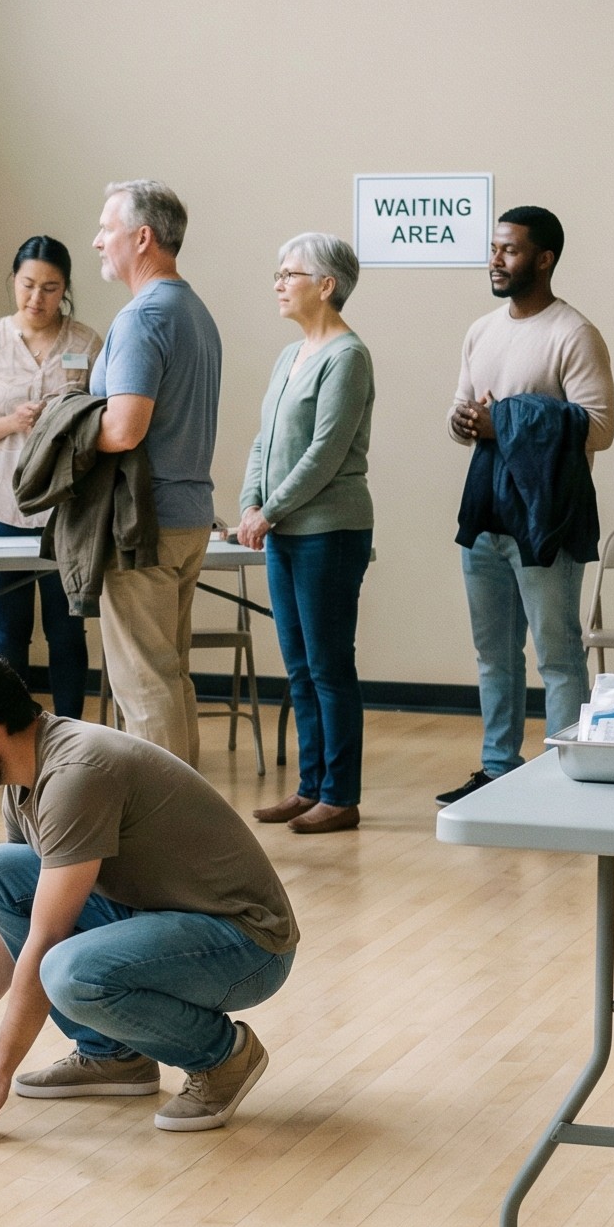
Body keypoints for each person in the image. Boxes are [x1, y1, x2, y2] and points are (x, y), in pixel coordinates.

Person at [0, 648, 299, 1144]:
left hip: (245, 943)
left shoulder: (76, 774)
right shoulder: (23, 778)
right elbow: (25, 924)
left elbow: (44, 942)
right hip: (166, 919)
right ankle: (113, 1056)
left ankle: (223, 1056)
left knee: (69, 972)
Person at [438, 206, 614, 806]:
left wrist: (507, 419)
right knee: (493, 653)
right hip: (486, 510)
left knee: (558, 654)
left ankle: (565, 771)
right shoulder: (481, 329)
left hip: (548, 517)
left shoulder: (573, 333)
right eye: (494, 248)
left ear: (544, 259)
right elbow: (465, 412)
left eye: (509, 250)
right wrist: (466, 421)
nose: (495, 260)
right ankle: (497, 768)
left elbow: (599, 427)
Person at [235, 234, 375, 835]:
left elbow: (324, 453)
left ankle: (340, 795)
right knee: (297, 665)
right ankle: (311, 786)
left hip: (330, 530)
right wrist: (249, 502)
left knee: (327, 665)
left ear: (326, 284)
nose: (278, 283)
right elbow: (265, 440)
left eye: (289, 273)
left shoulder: (348, 356)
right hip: (286, 529)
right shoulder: (288, 356)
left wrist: (270, 511)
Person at [88, 179, 221, 765]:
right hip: (188, 517)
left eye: (107, 228)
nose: (97, 241)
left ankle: (168, 836)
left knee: (144, 687)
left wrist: (64, 428)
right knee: (170, 677)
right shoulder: (194, 311)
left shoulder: (143, 317)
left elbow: (124, 429)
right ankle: (192, 824)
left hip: (144, 524)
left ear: (142, 238)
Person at [0, 236, 103, 717]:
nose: (37, 298)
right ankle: (10, 732)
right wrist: (13, 422)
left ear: (65, 288)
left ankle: (70, 736)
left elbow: (102, 421)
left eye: (50, 288)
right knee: (9, 628)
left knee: (67, 625)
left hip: (66, 508)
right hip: (1, 506)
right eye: (28, 285)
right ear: (13, 281)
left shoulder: (86, 342)